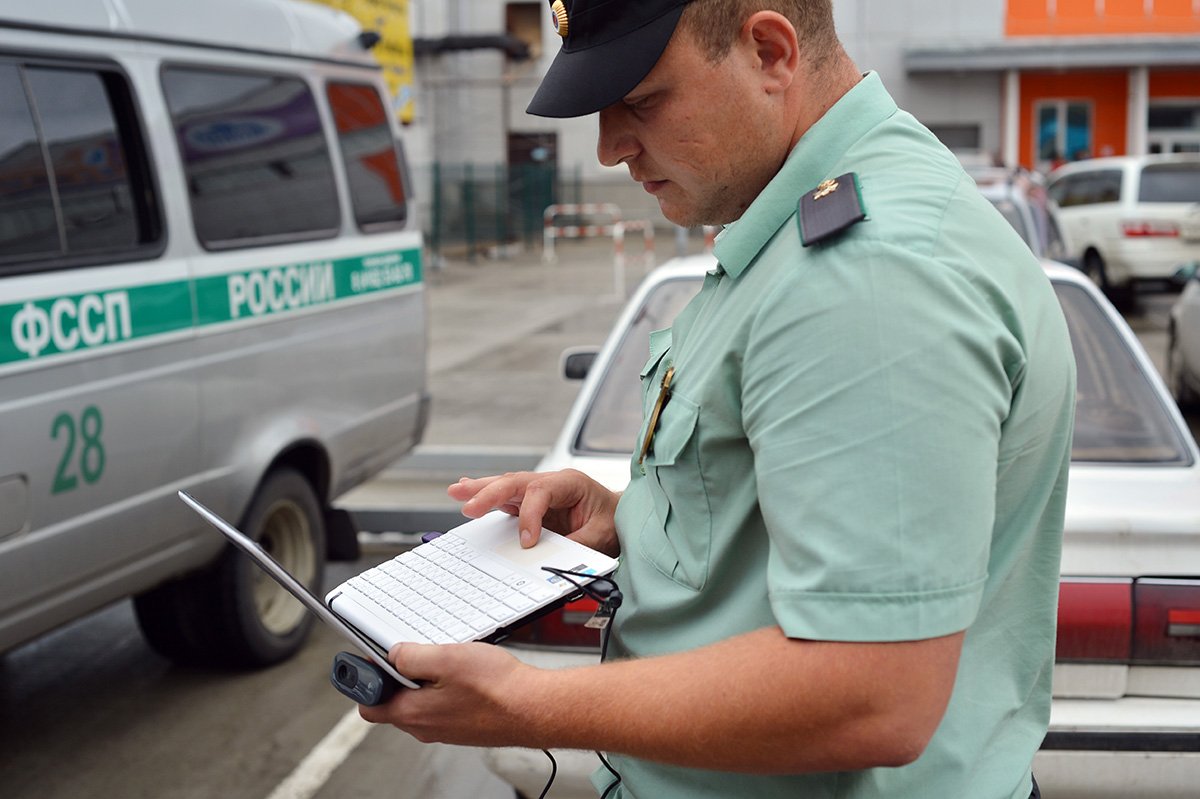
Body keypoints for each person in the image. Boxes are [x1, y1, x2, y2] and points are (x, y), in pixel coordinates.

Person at [360, 2, 1076, 797]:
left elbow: (874, 695)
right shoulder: (804, 219)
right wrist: (624, 513)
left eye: (641, 101)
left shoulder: (865, 277)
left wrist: (529, 702)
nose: (608, 148)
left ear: (770, 53)